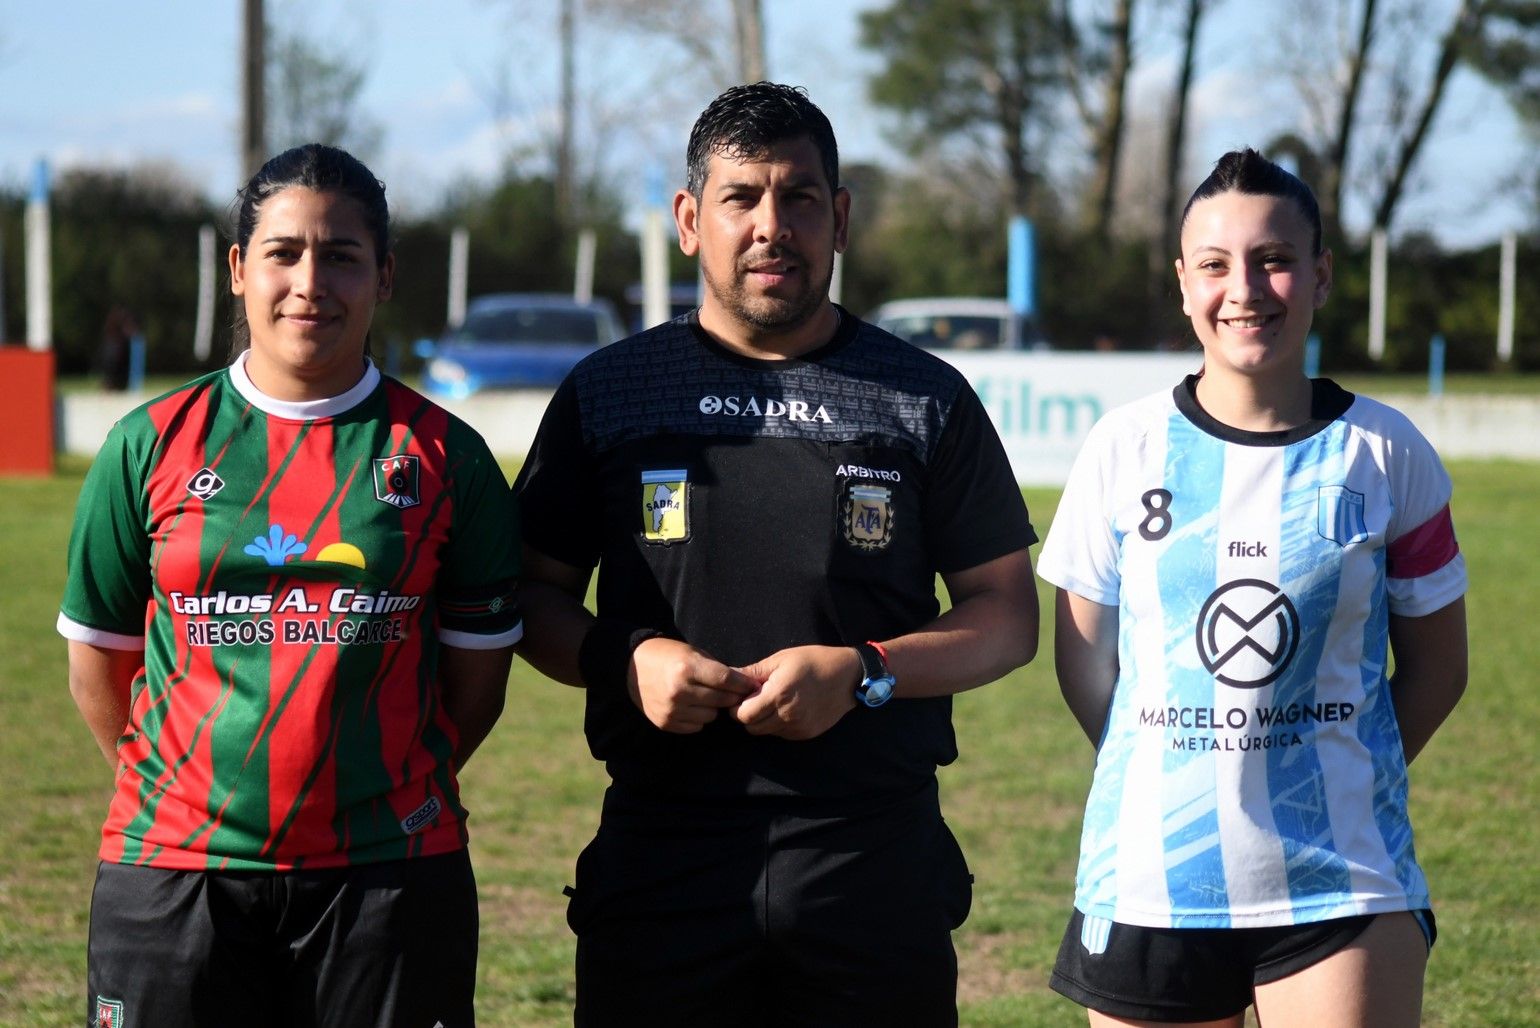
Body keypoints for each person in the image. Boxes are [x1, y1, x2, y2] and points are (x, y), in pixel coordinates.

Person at [513, 82, 1040, 1027]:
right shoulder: (609, 394)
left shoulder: (925, 398)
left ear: (840, 219)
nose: (772, 226)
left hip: (869, 858)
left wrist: (864, 671)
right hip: (662, 853)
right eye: (741, 198)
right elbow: (528, 595)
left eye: (799, 198)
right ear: (689, 221)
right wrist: (623, 659)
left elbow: (1006, 617)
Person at [57, 143, 522, 1028]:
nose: (311, 283)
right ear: (240, 270)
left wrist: (364, 793)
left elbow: (477, 690)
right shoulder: (147, 444)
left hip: (389, 875)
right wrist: (194, 795)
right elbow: (98, 669)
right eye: (284, 253)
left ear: (384, 276)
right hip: (175, 873)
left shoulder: (447, 457)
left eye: (341, 256)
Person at [1037, 148, 1468, 1027]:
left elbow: (1439, 670)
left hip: (1342, 876)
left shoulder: (1389, 453)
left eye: (1273, 260)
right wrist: (1181, 770)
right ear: (1183, 283)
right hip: (1152, 876)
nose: (1244, 289)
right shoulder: (1123, 447)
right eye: (1216, 265)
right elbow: (1084, 661)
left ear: (1321, 275)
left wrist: (1336, 771)